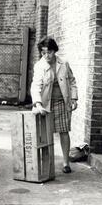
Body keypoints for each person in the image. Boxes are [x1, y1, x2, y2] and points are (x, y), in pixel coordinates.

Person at [31, 36, 78, 174]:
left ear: (54, 51)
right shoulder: (39, 66)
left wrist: (74, 98)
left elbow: (72, 81)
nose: (46, 55)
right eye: (43, 52)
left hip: (62, 102)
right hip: (46, 104)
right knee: (46, 134)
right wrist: (38, 103)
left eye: (49, 52)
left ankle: (65, 163)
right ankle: (48, 162)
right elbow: (35, 86)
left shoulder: (64, 63)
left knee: (64, 132)